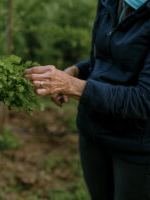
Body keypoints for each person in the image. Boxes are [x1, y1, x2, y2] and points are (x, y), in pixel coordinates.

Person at [25, 0, 150, 199]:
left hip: (135, 147)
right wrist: (76, 71)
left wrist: (71, 85)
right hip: (93, 133)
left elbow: (144, 100)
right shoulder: (110, 2)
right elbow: (107, 58)